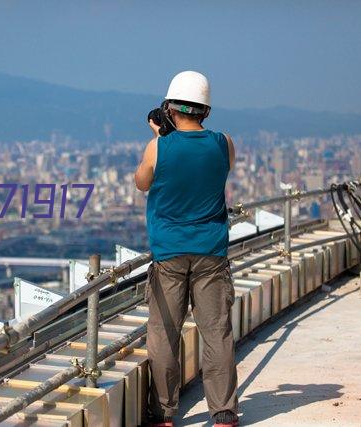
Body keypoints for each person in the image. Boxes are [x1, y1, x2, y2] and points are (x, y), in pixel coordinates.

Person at [135, 71, 239, 427]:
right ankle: (223, 411)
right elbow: (213, 171)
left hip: (169, 254)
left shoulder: (158, 147)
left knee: (165, 333)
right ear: (205, 110)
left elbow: (141, 182)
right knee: (217, 332)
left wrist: (159, 139)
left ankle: (164, 412)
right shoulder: (224, 143)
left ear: (169, 109)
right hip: (212, 251)